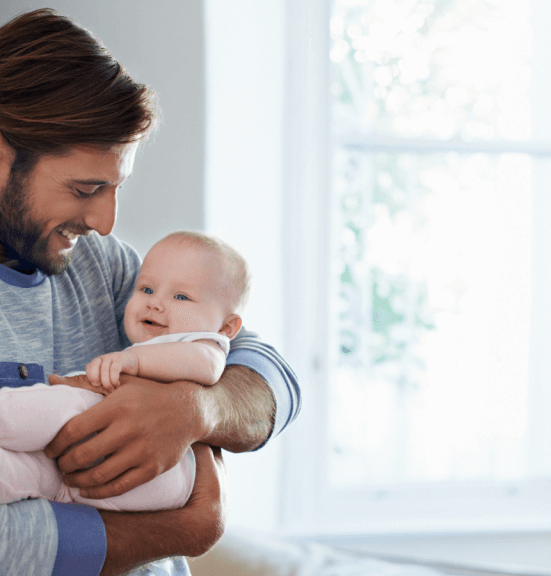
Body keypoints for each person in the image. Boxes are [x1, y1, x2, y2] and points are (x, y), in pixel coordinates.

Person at [0, 8, 301, 576]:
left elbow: (267, 371)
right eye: (87, 188)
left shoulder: (100, 265)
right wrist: (182, 529)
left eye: (115, 188)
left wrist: (197, 408)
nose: (107, 222)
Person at [0, 230, 248, 513]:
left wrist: (133, 362)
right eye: (146, 289)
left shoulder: (205, 346)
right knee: (31, 472)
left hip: (164, 473)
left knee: (66, 405)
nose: (155, 303)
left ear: (227, 328)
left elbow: (207, 366)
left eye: (181, 296)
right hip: (94, 474)